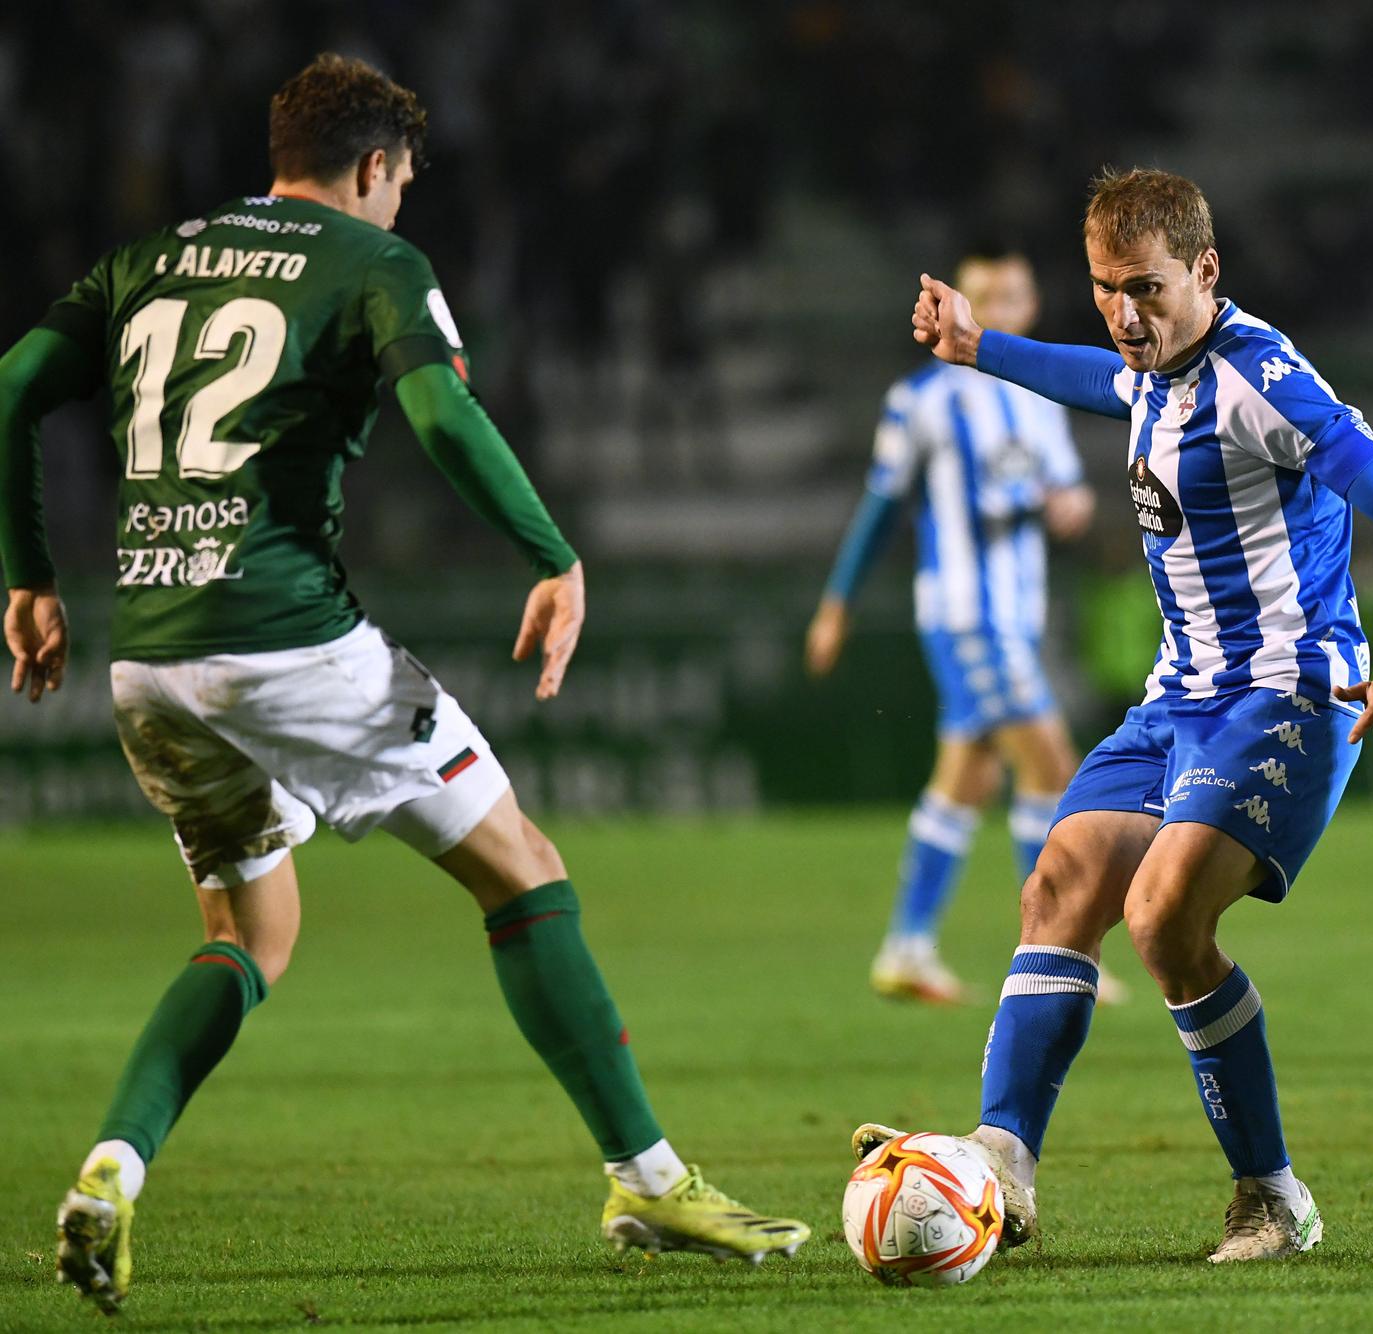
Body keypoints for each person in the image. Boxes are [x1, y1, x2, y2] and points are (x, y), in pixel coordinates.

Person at [0, 54, 806, 1313]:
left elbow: (9, 390)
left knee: (251, 935)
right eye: (403, 184)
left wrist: (29, 578)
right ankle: (645, 1174)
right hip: (291, 646)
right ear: (374, 167)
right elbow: (439, 414)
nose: (403, 207)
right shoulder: (377, 265)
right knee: (523, 867)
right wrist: (552, 551)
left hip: (149, 660)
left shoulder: (150, 257)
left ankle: (114, 1162)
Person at [851, 168, 1373, 1264]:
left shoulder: (1263, 380)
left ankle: (1271, 1196)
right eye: (1103, 287)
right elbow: (1100, 378)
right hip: (1178, 699)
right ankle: (1003, 1159)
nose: (1124, 314)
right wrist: (979, 344)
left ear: (1205, 273)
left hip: (1287, 695)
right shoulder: (1149, 365)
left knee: (1163, 917)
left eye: (1147, 288)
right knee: (1060, 879)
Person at [805, 249, 1126, 1006]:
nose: (999, 307)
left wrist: (1069, 510)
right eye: (984, 295)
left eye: (1012, 293)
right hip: (965, 613)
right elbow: (882, 506)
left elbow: (1067, 493)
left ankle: (907, 949)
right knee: (1052, 764)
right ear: (959, 306)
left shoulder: (1041, 398)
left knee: (966, 782)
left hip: (1017, 616)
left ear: (1033, 302)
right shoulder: (921, 399)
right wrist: (837, 603)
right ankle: (1057, 950)